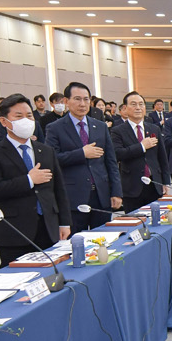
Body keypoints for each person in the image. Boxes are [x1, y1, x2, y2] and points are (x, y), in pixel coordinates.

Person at [0, 94, 71, 267]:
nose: (26, 121)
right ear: (4, 121)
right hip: (15, 231)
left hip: (48, 228)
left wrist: (64, 222)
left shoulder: (46, 151)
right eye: (19, 116)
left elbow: (59, 189)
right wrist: (29, 180)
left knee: (51, 275)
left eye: (29, 116)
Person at [44, 81, 121, 230]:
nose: (82, 104)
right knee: (77, 240)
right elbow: (52, 159)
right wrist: (81, 153)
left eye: (86, 99)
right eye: (77, 99)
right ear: (66, 101)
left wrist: (116, 192)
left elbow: (111, 161)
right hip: (73, 197)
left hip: (101, 195)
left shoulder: (100, 126)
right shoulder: (55, 128)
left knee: (104, 238)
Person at [111, 91, 170, 213]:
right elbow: (117, 154)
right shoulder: (118, 130)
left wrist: (166, 182)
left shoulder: (154, 128)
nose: (138, 107)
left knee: (157, 219)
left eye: (141, 104)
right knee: (135, 220)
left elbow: (162, 157)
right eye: (133, 104)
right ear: (125, 108)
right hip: (132, 187)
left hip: (154, 184)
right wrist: (141, 147)